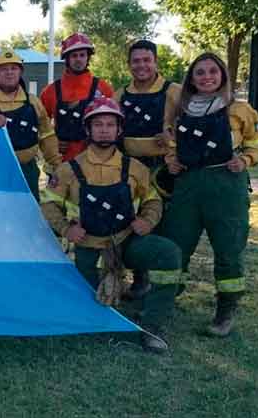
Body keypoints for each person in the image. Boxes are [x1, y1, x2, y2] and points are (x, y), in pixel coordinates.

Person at [40, 97, 182, 353]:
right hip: (87, 247)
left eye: (110, 124)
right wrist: (66, 228)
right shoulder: (67, 170)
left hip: (125, 241)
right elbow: (48, 204)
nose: (104, 129)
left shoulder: (136, 169)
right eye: (98, 124)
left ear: (119, 130)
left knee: (168, 253)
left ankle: (153, 325)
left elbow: (153, 201)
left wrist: (147, 221)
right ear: (87, 129)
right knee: (87, 307)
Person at [160, 52, 258, 338]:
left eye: (212, 72)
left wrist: (245, 161)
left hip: (226, 186)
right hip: (188, 185)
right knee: (176, 244)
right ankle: (167, 299)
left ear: (222, 76)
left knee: (228, 248)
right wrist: (171, 159)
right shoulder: (180, 109)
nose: (207, 77)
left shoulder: (240, 109)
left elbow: (256, 144)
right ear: (191, 79)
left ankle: (226, 308)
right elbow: (169, 139)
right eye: (200, 72)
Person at [114, 39, 182, 299]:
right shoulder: (120, 95)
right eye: (136, 61)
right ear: (129, 64)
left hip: (164, 170)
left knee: (165, 224)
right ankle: (140, 281)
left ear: (156, 62)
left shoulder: (174, 92)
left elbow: (194, 128)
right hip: (130, 168)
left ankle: (165, 287)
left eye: (146, 60)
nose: (141, 65)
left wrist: (173, 142)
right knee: (134, 221)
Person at [0, 50, 60, 199]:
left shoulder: (34, 102)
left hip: (28, 171)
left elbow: (47, 136)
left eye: (14, 68)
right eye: (4, 69)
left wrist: (56, 164)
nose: (9, 73)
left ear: (20, 72)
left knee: (29, 218)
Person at [40, 33, 114, 162]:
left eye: (82, 55)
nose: (78, 59)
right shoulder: (50, 91)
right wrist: (52, 142)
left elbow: (114, 124)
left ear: (88, 57)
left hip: (96, 161)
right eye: (74, 56)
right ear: (67, 59)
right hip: (61, 163)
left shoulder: (103, 88)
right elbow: (40, 125)